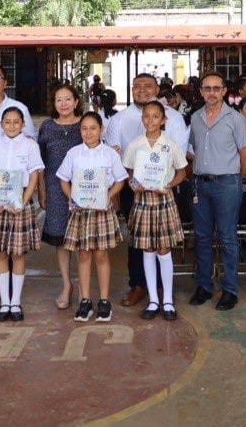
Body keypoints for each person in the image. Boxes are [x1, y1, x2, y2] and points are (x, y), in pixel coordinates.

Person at [102, 72, 189, 309]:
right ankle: (139, 285)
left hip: (165, 189)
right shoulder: (119, 118)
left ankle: (163, 290)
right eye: (137, 86)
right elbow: (113, 154)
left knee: (163, 239)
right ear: (131, 90)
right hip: (134, 188)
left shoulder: (174, 117)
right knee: (137, 239)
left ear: (157, 89)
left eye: (148, 86)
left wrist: (166, 183)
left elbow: (179, 154)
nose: (142, 90)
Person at [188, 72, 246, 311]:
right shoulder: (195, 117)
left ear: (225, 91)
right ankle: (204, 286)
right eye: (207, 88)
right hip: (200, 184)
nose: (211, 93)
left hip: (227, 184)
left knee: (227, 238)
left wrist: (236, 178)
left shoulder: (235, 119)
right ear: (201, 91)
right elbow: (192, 150)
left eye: (216, 88)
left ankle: (230, 289)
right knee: (202, 237)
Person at [0, 107, 44, 322]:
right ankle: (4, 302)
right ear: (1, 124)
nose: (12, 125)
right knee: (0, 254)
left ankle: (16, 302)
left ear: (23, 124)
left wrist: (23, 202)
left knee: (18, 254)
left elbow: (33, 176)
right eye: (7, 122)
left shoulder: (30, 145)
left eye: (16, 122)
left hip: (19, 203)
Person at [122, 101, 188, 321]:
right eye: (147, 116)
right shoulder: (135, 145)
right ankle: (153, 300)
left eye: (155, 116)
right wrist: (134, 184)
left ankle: (167, 300)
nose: (150, 120)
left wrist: (169, 184)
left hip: (164, 201)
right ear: (142, 120)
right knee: (147, 250)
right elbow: (129, 173)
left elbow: (182, 171)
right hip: (142, 201)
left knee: (163, 250)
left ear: (163, 119)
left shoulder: (170, 145)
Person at [58, 111, 125, 322]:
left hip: (102, 211)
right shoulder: (74, 153)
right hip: (81, 211)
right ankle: (85, 300)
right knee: (84, 254)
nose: (88, 132)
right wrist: (72, 197)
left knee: (101, 255)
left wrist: (109, 196)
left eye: (93, 128)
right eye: (84, 128)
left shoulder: (110, 154)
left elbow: (120, 180)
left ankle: (104, 300)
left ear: (101, 130)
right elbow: (63, 179)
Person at [39, 84, 84, 310]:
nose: (64, 104)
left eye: (68, 99)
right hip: (55, 189)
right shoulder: (47, 127)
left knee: (84, 238)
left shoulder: (85, 124)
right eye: (59, 100)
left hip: (85, 190)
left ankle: (84, 288)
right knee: (60, 238)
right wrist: (42, 190)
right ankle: (66, 285)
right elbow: (40, 163)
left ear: (76, 101)